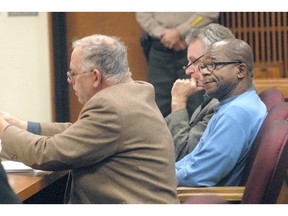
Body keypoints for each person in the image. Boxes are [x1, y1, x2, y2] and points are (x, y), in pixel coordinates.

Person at [0, 34, 179, 204]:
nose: (71, 81)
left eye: (73, 74)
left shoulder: (110, 106)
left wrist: (4, 130)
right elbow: (81, 131)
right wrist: (25, 127)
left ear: (95, 76)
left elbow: (48, 154)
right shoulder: (133, 93)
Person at [176, 38, 267, 186]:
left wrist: (158, 179)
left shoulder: (235, 114)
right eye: (204, 66)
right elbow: (193, 159)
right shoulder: (233, 105)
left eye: (213, 65)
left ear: (241, 71)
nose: (204, 72)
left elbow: (198, 176)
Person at [165, 23, 235, 161]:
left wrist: (178, 101)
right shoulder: (215, 96)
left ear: (219, 60)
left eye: (195, 62)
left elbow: (182, 155)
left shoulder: (222, 104)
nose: (188, 71)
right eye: (188, 62)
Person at [135, 12, 220, 117]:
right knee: (159, 105)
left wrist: (180, 31)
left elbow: (209, 12)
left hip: (194, 45)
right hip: (159, 47)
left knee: (197, 103)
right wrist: (164, 34)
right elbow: (143, 15)